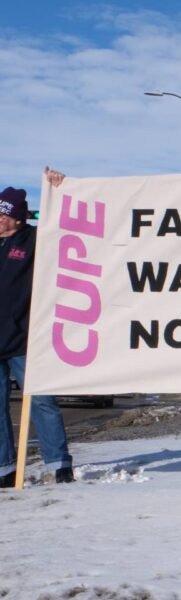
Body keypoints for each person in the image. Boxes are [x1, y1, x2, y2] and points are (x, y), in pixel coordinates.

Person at [0, 167, 74, 488]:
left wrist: (58, 188)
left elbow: (63, 225)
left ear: (19, 218)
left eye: (5, 215)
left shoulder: (33, 239)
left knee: (43, 402)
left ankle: (59, 464)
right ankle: (4, 469)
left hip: (24, 340)